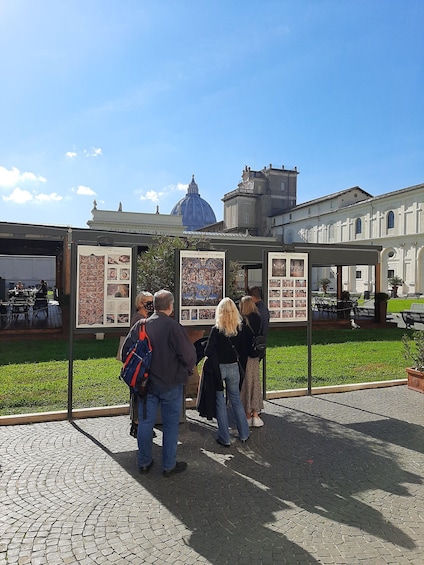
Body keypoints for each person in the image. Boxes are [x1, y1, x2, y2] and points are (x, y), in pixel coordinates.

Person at [122, 289, 196, 476]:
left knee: (146, 423)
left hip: (146, 384)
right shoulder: (174, 327)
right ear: (171, 307)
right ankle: (169, 465)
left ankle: (144, 462)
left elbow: (126, 353)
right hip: (171, 383)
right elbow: (188, 355)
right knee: (171, 425)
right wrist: (187, 370)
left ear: (153, 306)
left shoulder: (141, 325)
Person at [204, 297, 250, 446]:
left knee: (220, 402)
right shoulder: (239, 328)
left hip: (219, 368)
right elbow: (243, 349)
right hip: (234, 367)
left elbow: (208, 351)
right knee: (235, 400)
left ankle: (225, 438)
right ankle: (244, 433)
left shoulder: (216, 330)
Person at [128, 291, 154, 438]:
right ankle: (137, 424)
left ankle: (137, 423)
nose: (151, 304)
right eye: (148, 302)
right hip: (139, 363)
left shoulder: (144, 318)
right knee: (139, 394)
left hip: (141, 362)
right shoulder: (139, 319)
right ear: (140, 304)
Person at [239, 296, 264, 427]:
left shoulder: (243, 321)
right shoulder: (258, 318)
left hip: (245, 357)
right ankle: (255, 414)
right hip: (255, 356)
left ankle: (247, 414)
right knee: (255, 384)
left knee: (246, 385)